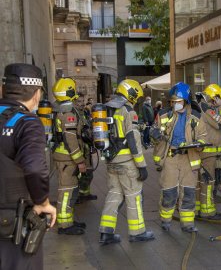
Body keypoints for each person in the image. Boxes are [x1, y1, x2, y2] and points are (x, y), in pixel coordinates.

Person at [0, 63, 56, 269]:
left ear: (3, 89)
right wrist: (42, 202)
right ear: (36, 94)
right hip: (11, 224)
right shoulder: (27, 122)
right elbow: (34, 167)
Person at [98, 79, 154, 245]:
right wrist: (142, 166)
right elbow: (133, 139)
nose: (136, 99)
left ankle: (106, 232)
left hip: (111, 160)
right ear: (132, 93)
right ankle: (137, 232)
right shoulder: (128, 111)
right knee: (133, 196)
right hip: (126, 162)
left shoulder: (108, 108)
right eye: (136, 95)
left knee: (114, 195)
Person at [152, 82, 207, 233]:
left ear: (186, 100)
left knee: (188, 192)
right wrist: (155, 135)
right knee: (169, 191)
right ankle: (165, 220)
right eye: (173, 101)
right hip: (171, 157)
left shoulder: (196, 116)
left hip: (189, 158)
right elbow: (154, 135)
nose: (175, 104)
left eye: (178, 101)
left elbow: (203, 136)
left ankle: (187, 224)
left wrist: (199, 144)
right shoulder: (164, 115)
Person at [51, 78, 88, 235]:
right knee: (66, 191)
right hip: (67, 159)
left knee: (71, 189)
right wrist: (80, 161)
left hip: (64, 157)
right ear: (69, 91)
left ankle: (69, 220)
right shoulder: (68, 113)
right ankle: (65, 225)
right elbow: (71, 139)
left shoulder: (59, 108)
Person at [196, 84, 221, 220]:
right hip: (208, 155)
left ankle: (199, 209)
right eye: (219, 98)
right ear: (215, 97)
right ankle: (208, 212)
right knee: (208, 183)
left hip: (205, 153)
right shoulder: (208, 110)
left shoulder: (204, 108)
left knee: (201, 182)